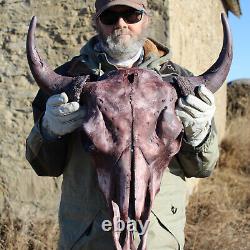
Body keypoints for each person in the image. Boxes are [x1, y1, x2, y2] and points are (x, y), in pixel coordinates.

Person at [26, 0, 219, 249]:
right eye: (110, 16)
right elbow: (44, 166)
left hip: (160, 242)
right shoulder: (67, 79)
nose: (121, 24)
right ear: (96, 21)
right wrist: (48, 132)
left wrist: (199, 134)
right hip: (88, 241)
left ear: (146, 18)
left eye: (131, 15)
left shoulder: (180, 80)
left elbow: (203, 168)